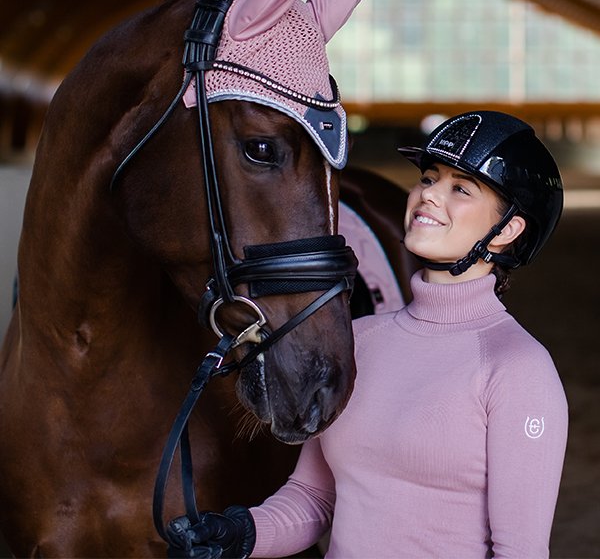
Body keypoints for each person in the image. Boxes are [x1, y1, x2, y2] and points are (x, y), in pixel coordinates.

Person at [166, 110, 569, 559]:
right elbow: (314, 500)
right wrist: (240, 533)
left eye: (459, 189)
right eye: (430, 178)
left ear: (507, 231)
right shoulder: (359, 339)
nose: (428, 195)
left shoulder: (518, 368)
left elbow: (520, 551)